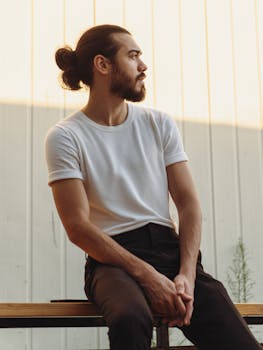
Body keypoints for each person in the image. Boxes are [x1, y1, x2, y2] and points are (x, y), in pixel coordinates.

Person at [45, 24, 262, 350]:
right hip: (112, 260)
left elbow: (189, 204)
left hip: (170, 253)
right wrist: (147, 276)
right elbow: (77, 227)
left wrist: (186, 275)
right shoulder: (66, 136)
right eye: (133, 56)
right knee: (130, 317)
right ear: (102, 65)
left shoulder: (158, 123)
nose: (143, 66)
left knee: (235, 336)